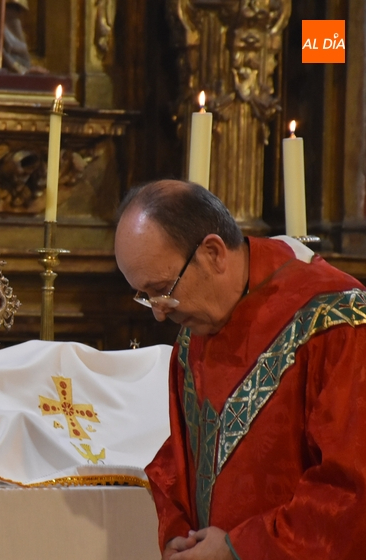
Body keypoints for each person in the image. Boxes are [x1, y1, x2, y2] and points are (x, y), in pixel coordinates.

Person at [114, 179, 366, 560]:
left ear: (213, 252)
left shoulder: (337, 321)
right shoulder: (195, 328)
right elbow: (183, 460)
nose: (159, 312)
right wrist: (178, 534)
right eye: (144, 296)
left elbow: (352, 490)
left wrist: (239, 548)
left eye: (163, 289)